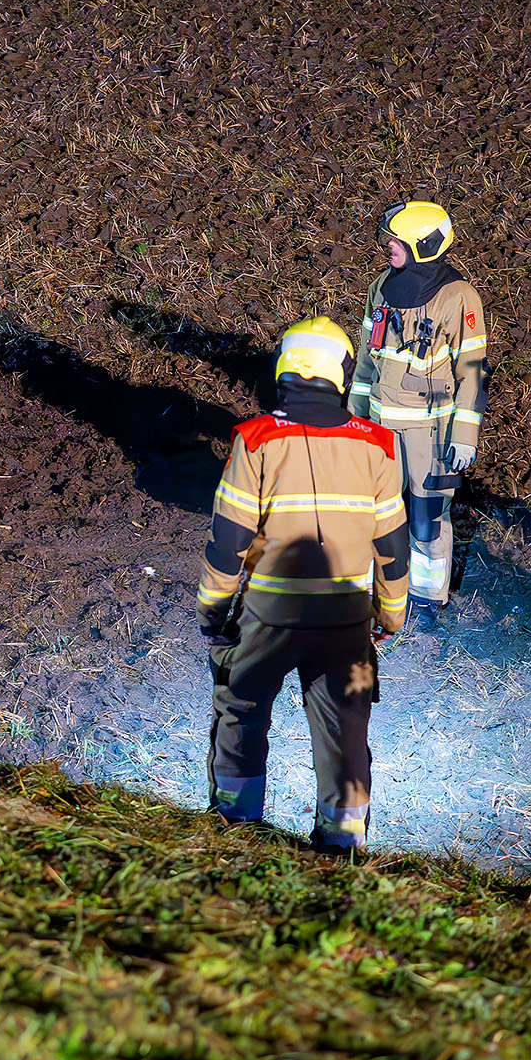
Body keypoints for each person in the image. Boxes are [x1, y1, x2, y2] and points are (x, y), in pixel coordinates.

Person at [198, 317, 409, 853]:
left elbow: (228, 540)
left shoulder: (255, 440)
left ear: (283, 370)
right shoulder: (379, 445)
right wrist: (391, 615)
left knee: (241, 711)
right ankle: (341, 847)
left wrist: (213, 611)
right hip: (345, 618)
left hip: (268, 616)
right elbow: (392, 546)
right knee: (345, 733)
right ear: (343, 373)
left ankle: (233, 831)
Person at [346, 200, 488, 630]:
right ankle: (379, 595)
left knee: (427, 518)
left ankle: (426, 601)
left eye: (397, 242)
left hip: (431, 430)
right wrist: (354, 418)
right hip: (379, 427)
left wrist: (464, 434)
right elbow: (367, 363)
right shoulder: (380, 287)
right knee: (377, 514)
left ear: (421, 246)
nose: (388, 247)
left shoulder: (459, 297)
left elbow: (472, 372)